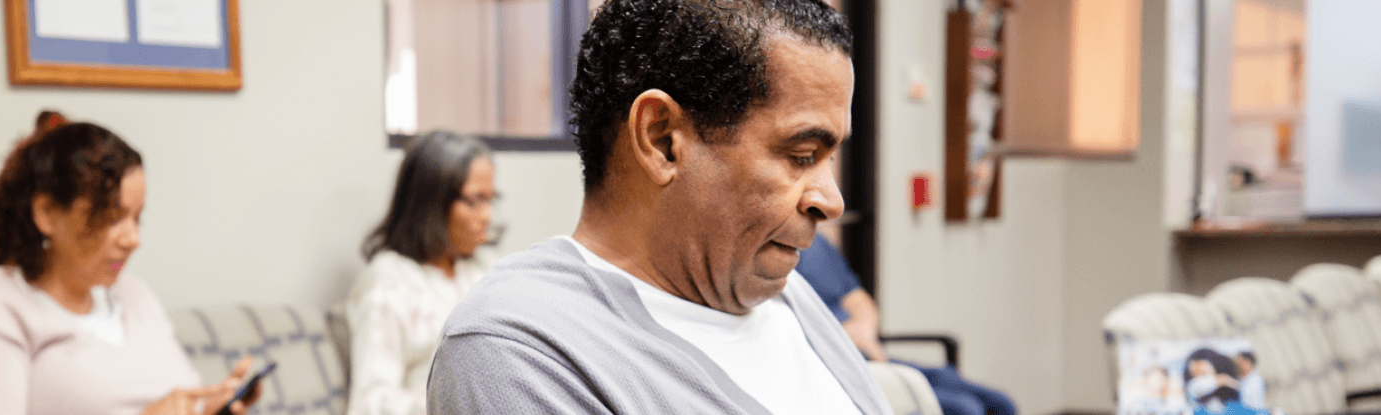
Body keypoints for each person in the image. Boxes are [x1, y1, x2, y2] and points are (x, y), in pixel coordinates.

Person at [426, 0, 889, 413]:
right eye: (802, 156)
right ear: (662, 140)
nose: (831, 200)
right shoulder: (520, 350)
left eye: (830, 160)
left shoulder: (788, 296)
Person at [0, 111, 262, 415]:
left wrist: (209, 407)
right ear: (46, 214)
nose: (133, 240)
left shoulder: (135, 296)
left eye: (137, 218)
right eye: (111, 217)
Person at [346, 131, 497, 415]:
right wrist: (461, 404)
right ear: (432, 202)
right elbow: (368, 405)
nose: (488, 216)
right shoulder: (388, 282)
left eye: (491, 200)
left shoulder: (483, 269)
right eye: (475, 200)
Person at [795, 234, 1017, 415]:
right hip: (836, 369)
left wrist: (863, 329)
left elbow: (857, 299)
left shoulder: (815, 244)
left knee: (999, 403)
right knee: (964, 409)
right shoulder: (774, 258)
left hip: (874, 358)